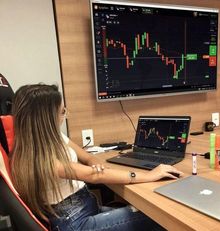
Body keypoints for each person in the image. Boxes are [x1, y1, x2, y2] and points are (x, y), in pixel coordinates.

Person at [10, 83, 183, 231]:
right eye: (62, 112)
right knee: (161, 219)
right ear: (45, 119)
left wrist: (94, 163)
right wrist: (150, 175)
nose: (65, 115)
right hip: (76, 223)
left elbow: (87, 158)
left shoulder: (54, 138)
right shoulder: (42, 160)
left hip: (86, 210)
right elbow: (93, 175)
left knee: (150, 213)